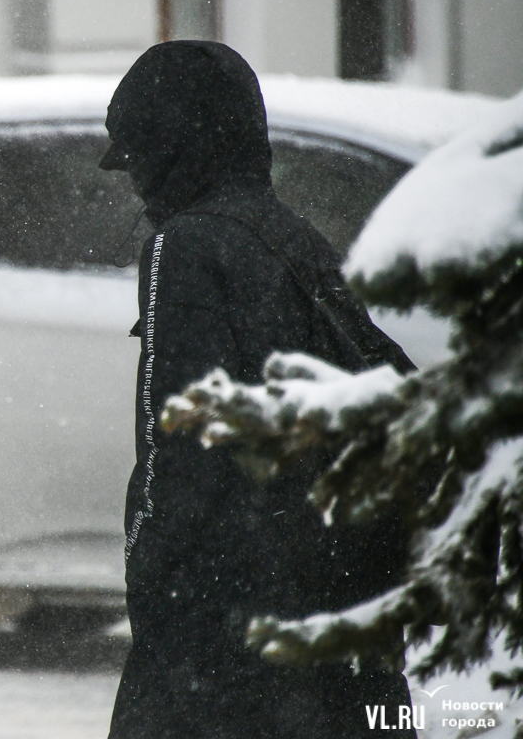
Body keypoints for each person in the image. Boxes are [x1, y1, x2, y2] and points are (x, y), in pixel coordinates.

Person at [100, 41, 418, 738]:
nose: (133, 183)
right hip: (325, 614)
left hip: (224, 631)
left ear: (170, 148)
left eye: (136, 156)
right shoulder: (291, 237)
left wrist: (151, 582)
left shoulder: (183, 248)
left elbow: (177, 443)